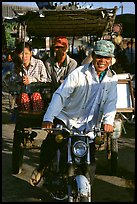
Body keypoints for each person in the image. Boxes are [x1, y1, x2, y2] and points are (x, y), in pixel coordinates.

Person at [30, 40, 118, 187]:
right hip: (67, 119)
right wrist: (49, 117)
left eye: (106, 58)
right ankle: (41, 168)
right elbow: (60, 95)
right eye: (99, 57)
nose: (102, 61)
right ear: (93, 56)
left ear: (110, 60)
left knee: (90, 165)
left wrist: (108, 121)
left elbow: (111, 102)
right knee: (51, 144)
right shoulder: (79, 73)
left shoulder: (112, 78)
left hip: (89, 126)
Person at [11, 41, 48, 111]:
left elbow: (45, 80)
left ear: (31, 53)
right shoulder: (16, 66)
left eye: (26, 53)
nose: (24, 56)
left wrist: (31, 80)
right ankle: (26, 118)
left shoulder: (39, 63)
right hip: (23, 95)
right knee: (23, 97)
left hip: (38, 94)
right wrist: (19, 79)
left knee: (35, 96)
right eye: (21, 54)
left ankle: (37, 117)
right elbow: (12, 83)